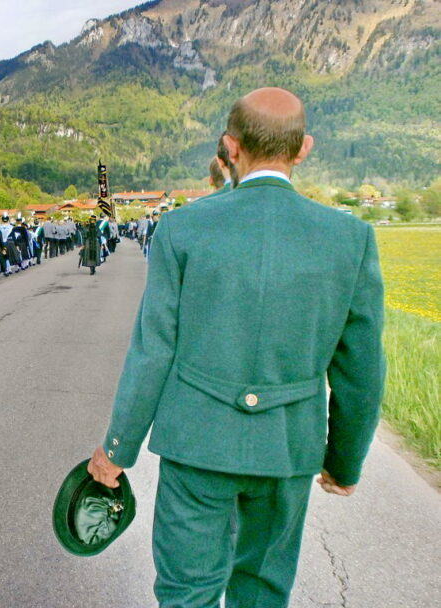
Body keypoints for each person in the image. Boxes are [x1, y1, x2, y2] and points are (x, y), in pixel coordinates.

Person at [87, 87, 385, 608]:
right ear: (304, 148)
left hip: (197, 446)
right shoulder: (350, 238)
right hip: (287, 449)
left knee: (187, 592)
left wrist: (117, 450)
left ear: (231, 145)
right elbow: (361, 369)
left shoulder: (182, 227)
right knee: (263, 593)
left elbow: (153, 351)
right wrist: (345, 461)